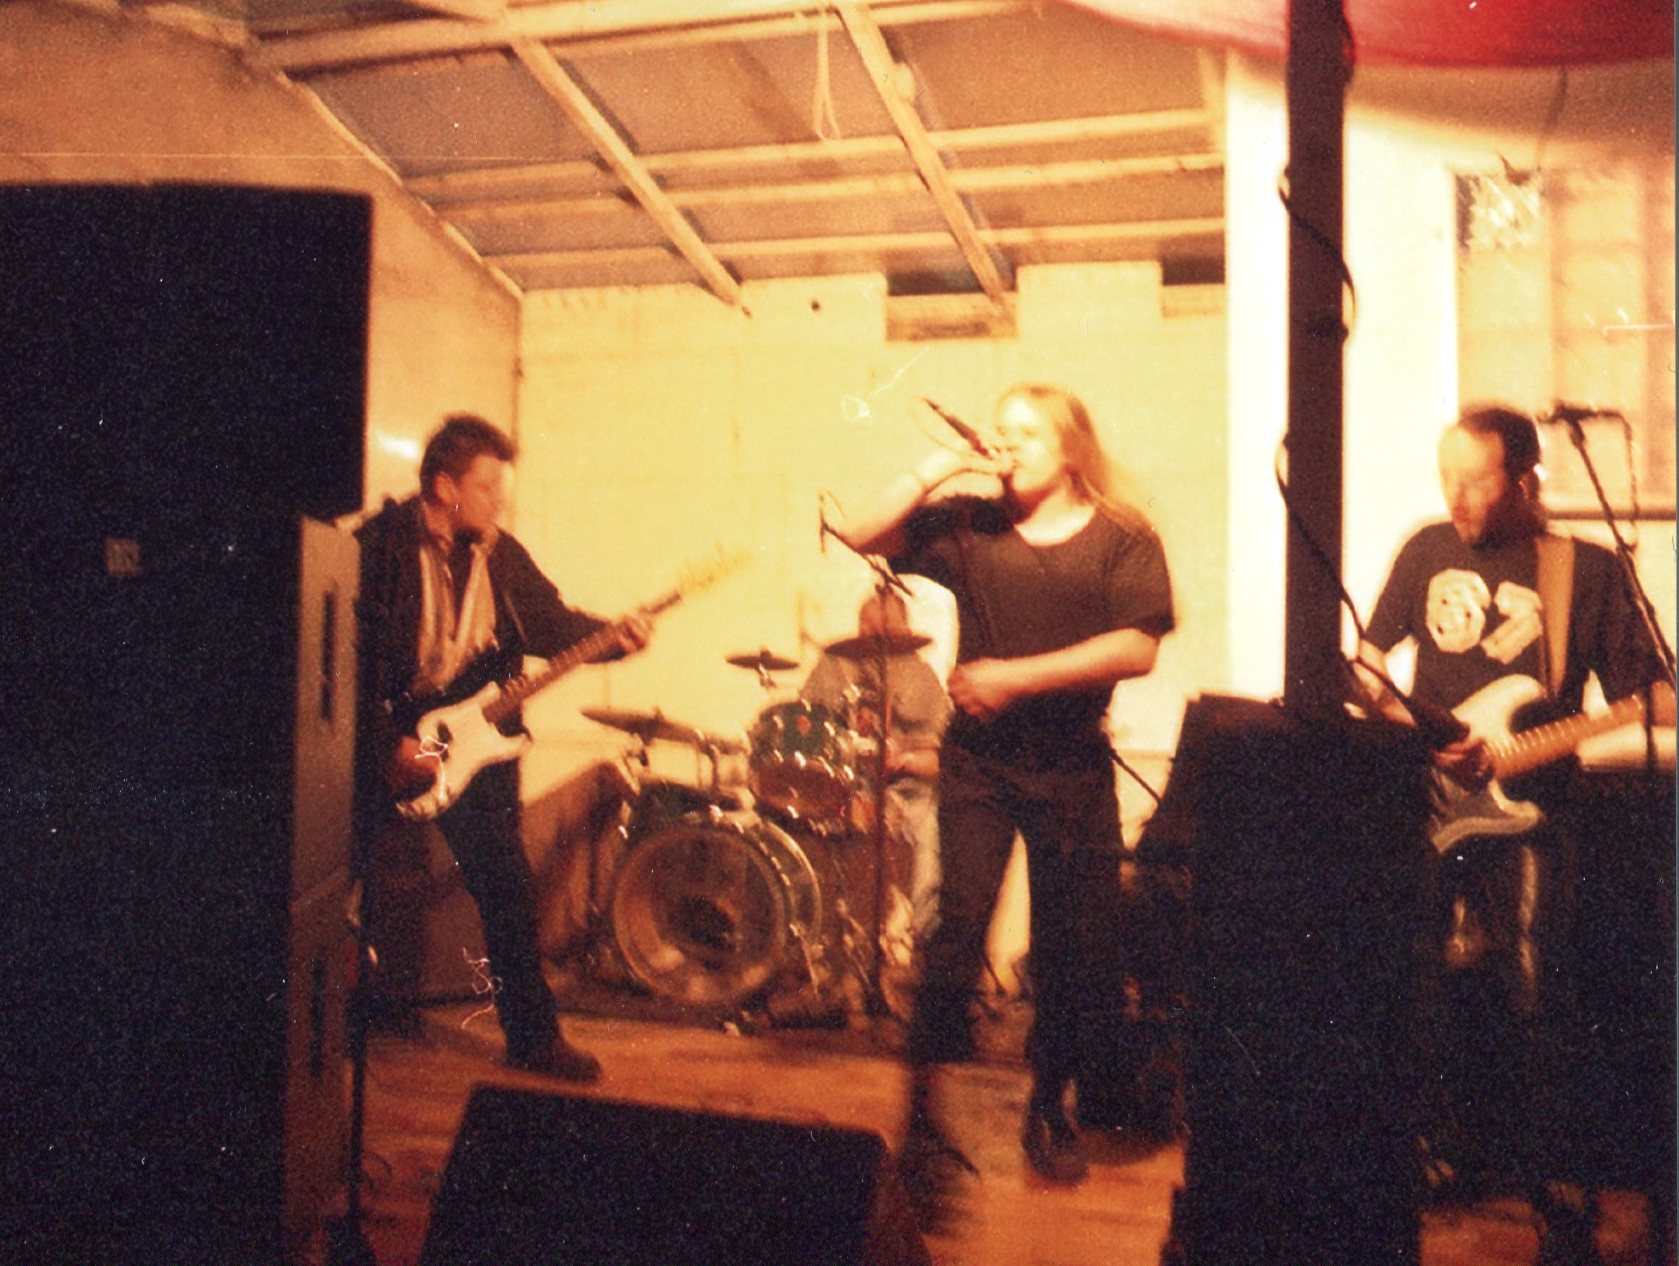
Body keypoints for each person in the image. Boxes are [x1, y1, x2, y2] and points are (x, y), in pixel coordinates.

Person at [836, 384, 1175, 1191]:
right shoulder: (971, 524)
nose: (1006, 442)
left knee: (1070, 949)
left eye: (1027, 432)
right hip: (979, 763)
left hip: (1071, 766)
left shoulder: (1122, 536)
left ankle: (1047, 1108)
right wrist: (943, 462)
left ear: (1071, 449)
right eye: (1000, 429)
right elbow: (858, 532)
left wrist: (1011, 678)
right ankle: (920, 1110)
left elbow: (1135, 648)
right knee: (955, 928)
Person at [1355, 404, 1671, 1246]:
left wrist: (1541, 744)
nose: (1454, 496)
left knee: (1536, 990)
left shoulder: (1584, 570)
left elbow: (1653, 694)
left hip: (1533, 813)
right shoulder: (1425, 549)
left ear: (1525, 480)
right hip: (1427, 798)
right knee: (1416, 979)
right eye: (1445, 477)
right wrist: (1413, 728)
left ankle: (1552, 1182)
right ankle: (1432, 1153)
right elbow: (1365, 667)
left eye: (1475, 481)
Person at [354, 413, 651, 1081]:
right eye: (487, 488)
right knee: (334, 876)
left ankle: (534, 1039)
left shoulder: (498, 554)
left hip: (473, 740)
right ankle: (320, 1023)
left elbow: (551, 621)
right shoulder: (378, 549)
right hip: (388, 734)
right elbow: (343, 660)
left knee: (507, 886)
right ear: (444, 487)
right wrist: (386, 745)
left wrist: (616, 638)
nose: (499, 503)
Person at [802, 587, 952, 955]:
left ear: (905, 629)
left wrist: (903, 759)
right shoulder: (833, 666)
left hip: (906, 790)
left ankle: (919, 944)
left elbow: (944, 762)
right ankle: (812, 941)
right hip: (842, 785)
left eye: (886, 626)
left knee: (935, 829)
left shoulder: (922, 678)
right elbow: (804, 733)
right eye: (867, 625)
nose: (875, 633)